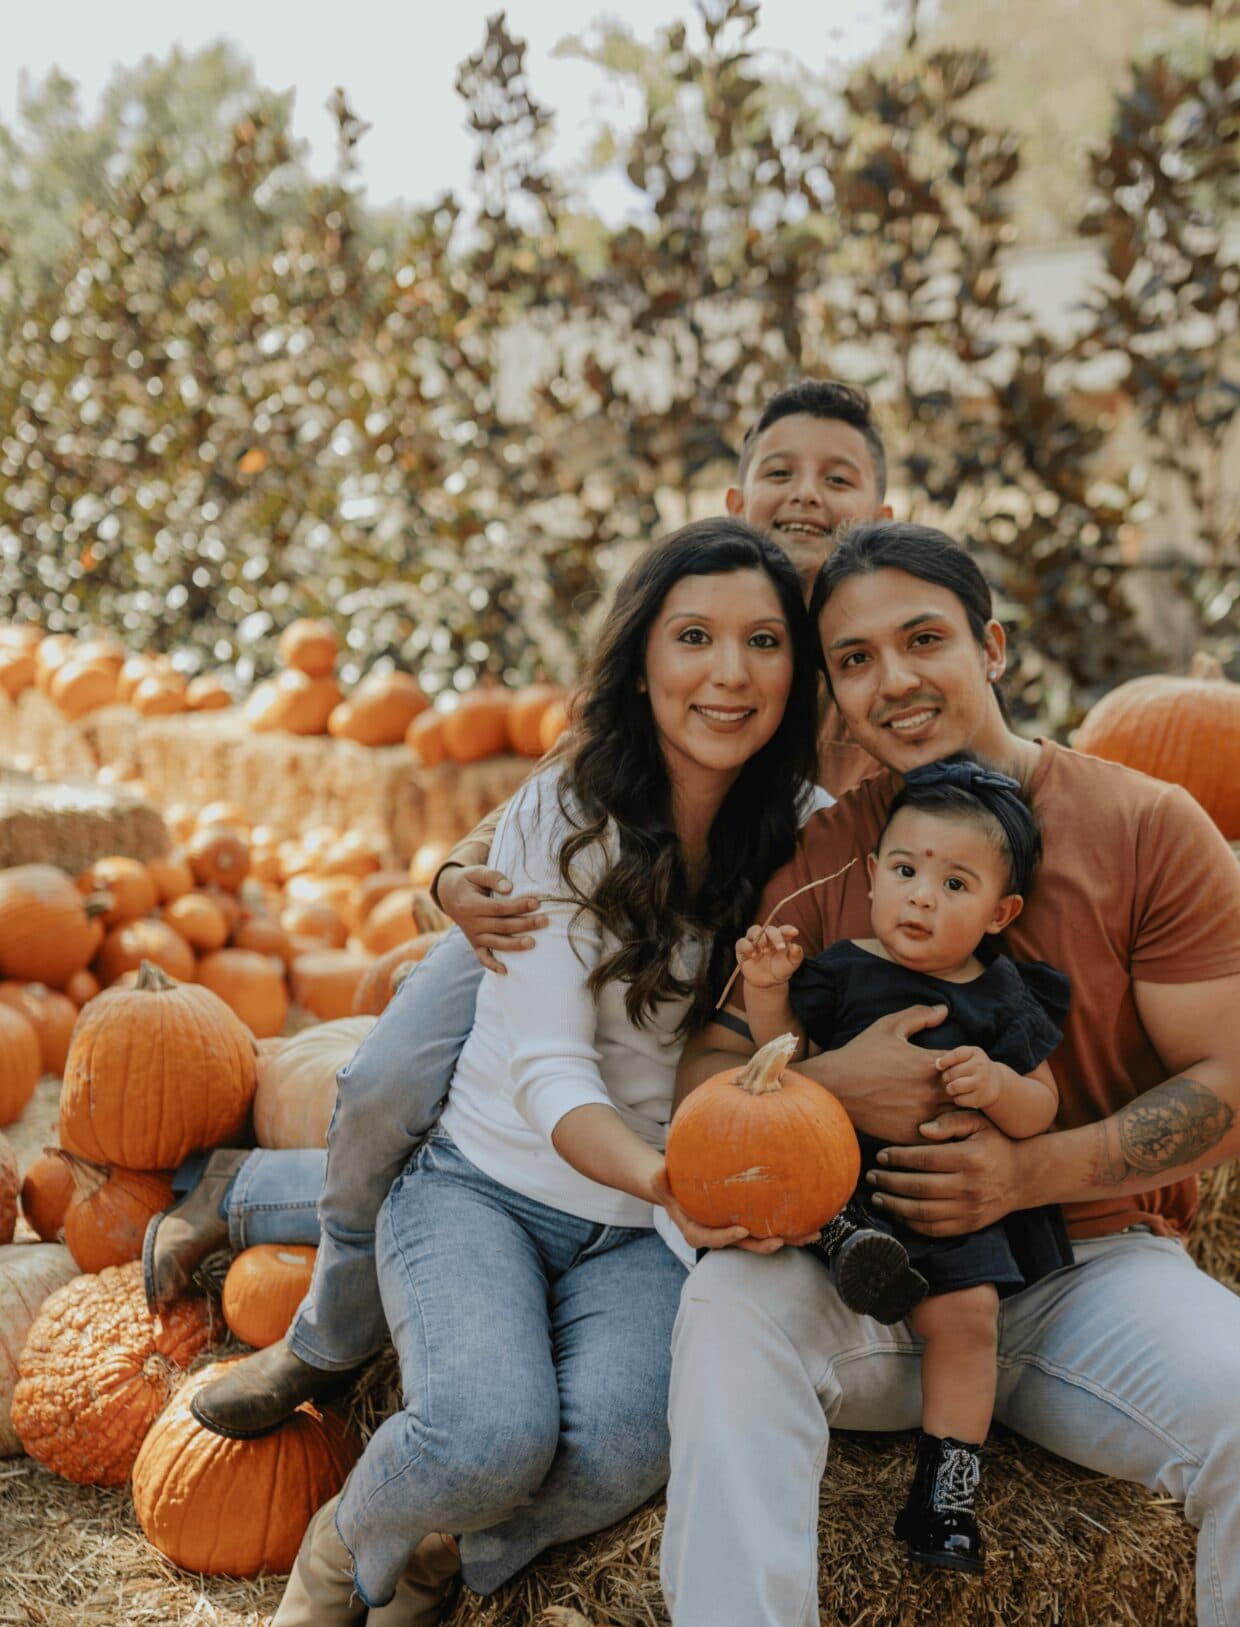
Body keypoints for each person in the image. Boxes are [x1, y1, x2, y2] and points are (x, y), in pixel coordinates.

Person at [624, 522, 1240, 1627]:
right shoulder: (830, 848)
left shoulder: (1147, 824)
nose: (893, 678)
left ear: (993, 645)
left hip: (1084, 1265)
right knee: (724, 1309)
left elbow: (1236, 1089)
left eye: (923, 638)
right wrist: (811, 1085)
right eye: (854, 658)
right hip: (865, 1270)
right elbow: (724, 1055)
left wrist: (1032, 1163)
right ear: (833, 692)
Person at [155, 378, 895, 1443]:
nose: (806, 494)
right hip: (580, 903)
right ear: (737, 496)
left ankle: (249, 1183)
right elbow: (572, 774)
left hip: (732, 938)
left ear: (883, 505)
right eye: (781, 471)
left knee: (596, 1121)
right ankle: (328, 1333)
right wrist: (455, 875)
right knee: (388, 1080)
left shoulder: (878, 645)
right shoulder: (705, 597)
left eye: (839, 477)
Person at [261, 516, 823, 1627]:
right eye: (695, 637)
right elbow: (549, 1071)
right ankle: (343, 1543)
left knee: (623, 1444)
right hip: (486, 1186)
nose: (730, 672)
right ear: (639, 660)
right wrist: (673, 1174)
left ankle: (431, 1554)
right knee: (486, 1435)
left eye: (763, 641)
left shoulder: (804, 831)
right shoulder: (568, 809)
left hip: (641, 1229)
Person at [735, 756, 1070, 1573]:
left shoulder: (1001, 997)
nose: (923, 894)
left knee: (970, 1319)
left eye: (957, 885)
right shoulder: (844, 967)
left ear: (1001, 912)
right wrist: (768, 987)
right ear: (874, 876)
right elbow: (783, 1058)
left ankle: (946, 1493)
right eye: (908, 870)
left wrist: (995, 1084)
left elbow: (1043, 1107)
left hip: (945, 1204)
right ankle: (847, 1243)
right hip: (846, 1182)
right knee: (799, 1191)